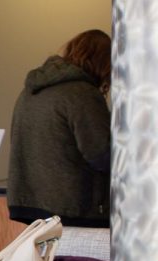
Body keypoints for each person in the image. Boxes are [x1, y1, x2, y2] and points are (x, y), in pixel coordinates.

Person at [7, 29, 111, 227]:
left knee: (49, 259)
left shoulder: (31, 90)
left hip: (29, 203)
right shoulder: (82, 93)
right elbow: (101, 153)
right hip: (72, 207)